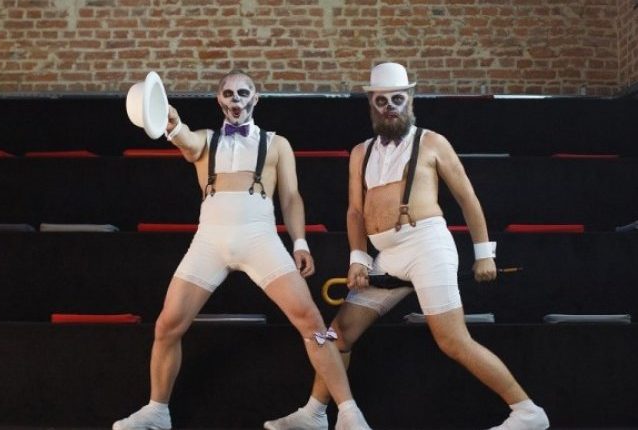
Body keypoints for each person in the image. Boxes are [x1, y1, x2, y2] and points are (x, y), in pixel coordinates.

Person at [264, 62, 550, 430]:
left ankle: (527, 411)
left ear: (410, 100)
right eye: (382, 101)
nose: (390, 107)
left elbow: (467, 197)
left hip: (427, 245)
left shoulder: (431, 142)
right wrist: (358, 259)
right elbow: (355, 212)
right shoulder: (361, 152)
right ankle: (315, 413)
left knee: (452, 339)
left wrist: (484, 253)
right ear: (372, 103)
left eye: (397, 99)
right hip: (387, 257)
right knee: (335, 335)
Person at [113, 70, 372, 430]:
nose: (236, 99)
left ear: (255, 98)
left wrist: (299, 242)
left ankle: (347, 413)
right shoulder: (205, 140)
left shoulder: (277, 144)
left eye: (243, 93)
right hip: (210, 241)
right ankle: (157, 411)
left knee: (313, 323)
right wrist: (171, 123)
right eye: (229, 93)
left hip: (259, 238)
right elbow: (186, 142)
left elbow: (291, 197)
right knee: (167, 325)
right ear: (219, 100)